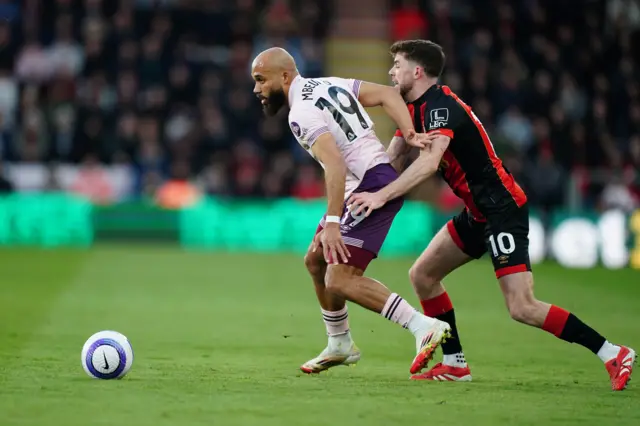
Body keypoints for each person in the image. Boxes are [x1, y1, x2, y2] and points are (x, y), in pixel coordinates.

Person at [347, 40, 636, 390]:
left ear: (417, 71)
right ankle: (455, 364)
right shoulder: (412, 110)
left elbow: (428, 162)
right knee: (422, 274)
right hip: (477, 213)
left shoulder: (441, 108)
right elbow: (394, 159)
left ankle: (612, 352)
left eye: (397, 64)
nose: (391, 72)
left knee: (522, 306)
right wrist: (356, 191)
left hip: (501, 209)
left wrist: (380, 197)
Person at [250, 47, 449, 375]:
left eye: (260, 79)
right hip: (366, 180)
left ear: (284, 76)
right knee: (315, 261)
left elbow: (336, 166)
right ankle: (339, 342)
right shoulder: (329, 83)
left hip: (369, 186)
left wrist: (331, 223)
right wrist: (408, 132)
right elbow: (387, 94)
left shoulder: (300, 113)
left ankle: (421, 326)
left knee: (339, 279)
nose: (257, 88)